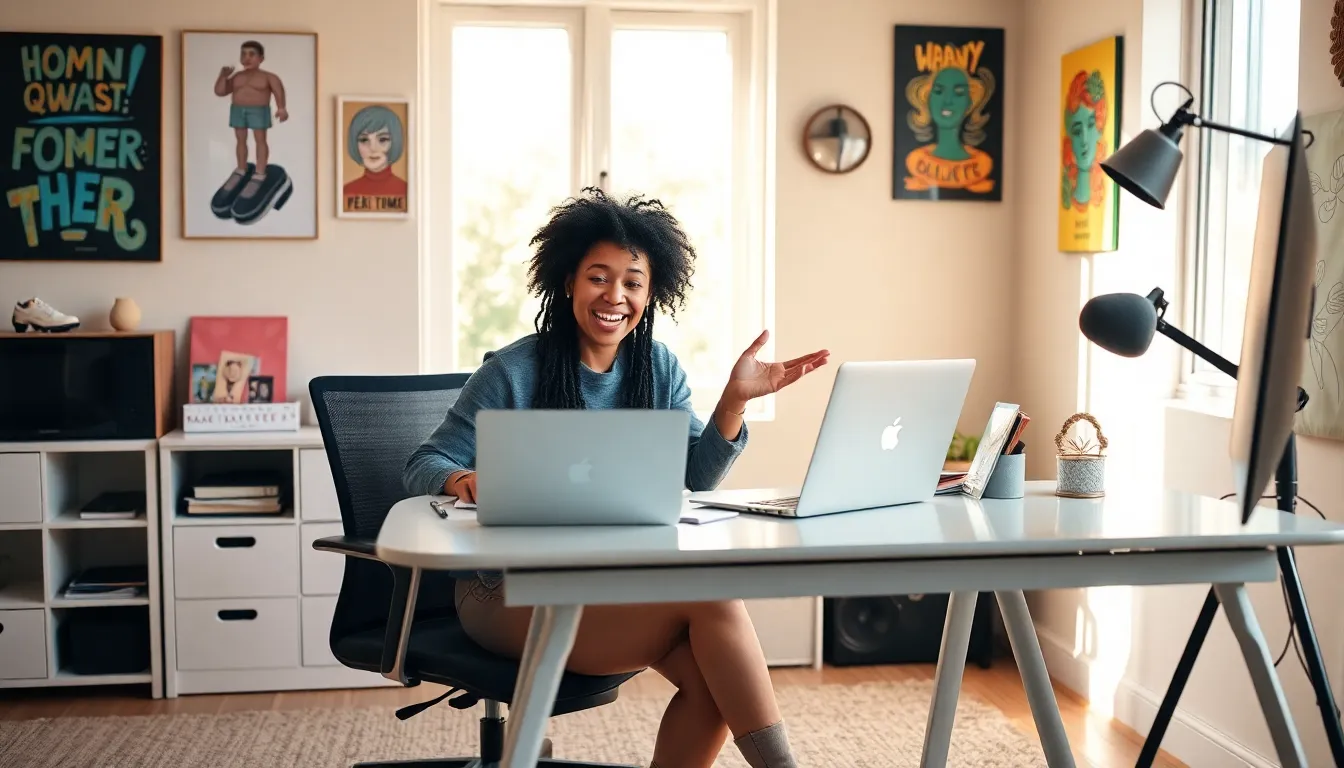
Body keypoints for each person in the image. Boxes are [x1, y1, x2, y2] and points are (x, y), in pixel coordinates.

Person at [404, 188, 828, 768]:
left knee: (714, 684)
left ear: (651, 293)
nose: (615, 296)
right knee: (715, 608)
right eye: (598, 277)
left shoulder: (658, 368)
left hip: (611, 584)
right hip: (505, 591)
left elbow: (696, 476)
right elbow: (422, 464)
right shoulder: (512, 370)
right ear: (568, 282)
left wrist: (734, 401)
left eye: (633, 282)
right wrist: (464, 480)